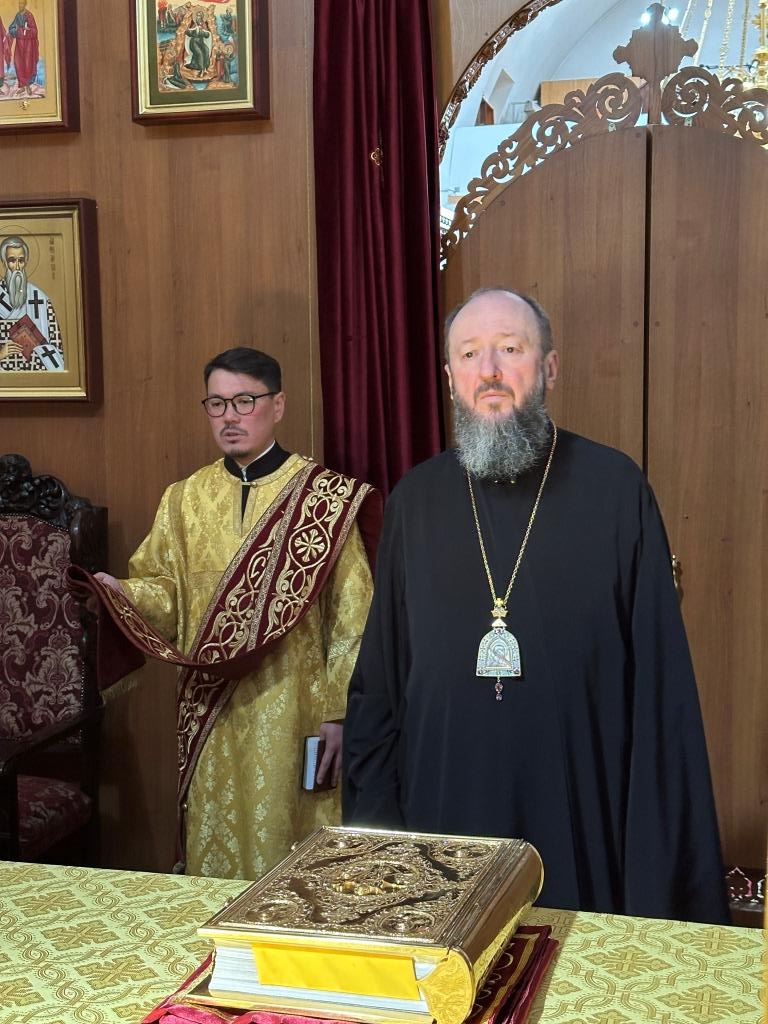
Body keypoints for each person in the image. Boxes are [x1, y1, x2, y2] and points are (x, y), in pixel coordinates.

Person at [343, 287, 729, 924]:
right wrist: (378, 845)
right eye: (470, 354)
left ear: (549, 367)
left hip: (582, 816)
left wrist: (657, 879)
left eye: (510, 349)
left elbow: (660, 694)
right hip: (441, 817)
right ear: (449, 377)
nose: (489, 370)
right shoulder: (416, 499)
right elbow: (380, 686)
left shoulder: (615, 489)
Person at [93, 347, 378, 879]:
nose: (230, 416)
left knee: (290, 843)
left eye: (245, 401)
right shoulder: (184, 499)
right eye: (217, 403)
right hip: (211, 707)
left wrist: (340, 713)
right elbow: (167, 594)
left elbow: (353, 615)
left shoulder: (325, 498)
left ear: (278, 405)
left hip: (294, 704)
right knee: (214, 840)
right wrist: (121, 594)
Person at [0, 235, 65, 371]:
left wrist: (40, 351)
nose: (17, 266)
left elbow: (56, 345)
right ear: (4, 262)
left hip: (37, 368)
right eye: (12, 260)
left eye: (21, 260)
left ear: (26, 261)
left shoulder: (39, 296)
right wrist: (1, 353)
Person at [7, 0, 38, 96]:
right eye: (19, 3)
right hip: (19, 44)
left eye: (22, 3)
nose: (20, 5)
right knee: (18, 63)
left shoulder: (29, 15)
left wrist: (26, 30)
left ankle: (28, 86)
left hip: (28, 44)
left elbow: (34, 31)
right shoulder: (18, 15)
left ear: (25, 4)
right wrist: (16, 30)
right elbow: (11, 27)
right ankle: (22, 85)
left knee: (28, 64)